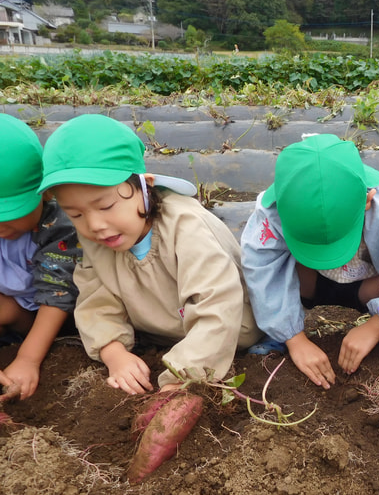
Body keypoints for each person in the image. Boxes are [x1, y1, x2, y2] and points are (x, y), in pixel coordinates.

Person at [37, 114, 262, 396]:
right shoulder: (96, 236)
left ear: (145, 187)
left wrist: (182, 378)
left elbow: (218, 307)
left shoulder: (185, 226)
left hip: (230, 334)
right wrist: (113, 352)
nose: (95, 225)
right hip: (159, 337)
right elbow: (96, 299)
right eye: (76, 214)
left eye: (106, 206)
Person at [241, 134, 379, 390]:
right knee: (270, 269)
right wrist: (295, 340)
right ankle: (280, 333)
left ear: (367, 200)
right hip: (308, 280)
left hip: (370, 286)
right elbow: (262, 269)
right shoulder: (272, 211)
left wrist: (376, 326)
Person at [0, 114, 81, 403]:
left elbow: (57, 295)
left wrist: (28, 359)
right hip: (16, 310)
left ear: (44, 193)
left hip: (59, 316)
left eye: (7, 214)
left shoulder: (58, 228)